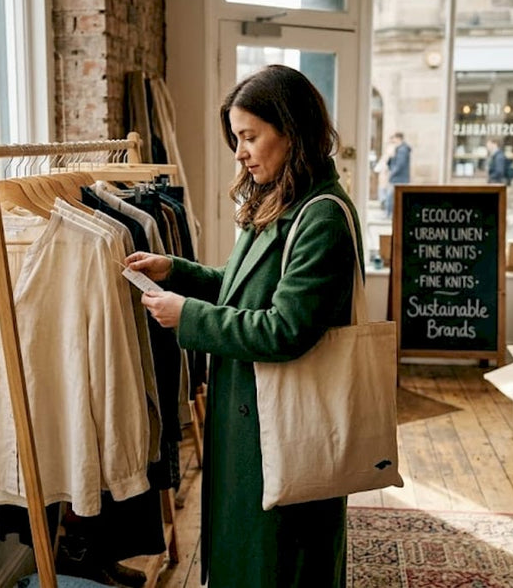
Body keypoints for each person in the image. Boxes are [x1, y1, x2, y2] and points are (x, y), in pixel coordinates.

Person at [125, 64, 359, 588]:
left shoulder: (321, 216)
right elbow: (241, 288)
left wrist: (187, 316)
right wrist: (176, 271)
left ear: (292, 132)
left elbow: (284, 329)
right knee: (253, 555)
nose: (240, 152)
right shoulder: (280, 199)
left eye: (250, 136)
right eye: (237, 138)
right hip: (254, 421)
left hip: (285, 426)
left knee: (281, 562)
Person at [379, 131, 411, 218]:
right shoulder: (398, 149)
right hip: (397, 178)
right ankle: (389, 214)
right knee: (390, 196)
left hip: (399, 178)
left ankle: (389, 214)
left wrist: (391, 174)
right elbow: (391, 163)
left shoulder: (402, 150)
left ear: (398, 138)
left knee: (391, 196)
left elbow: (399, 165)